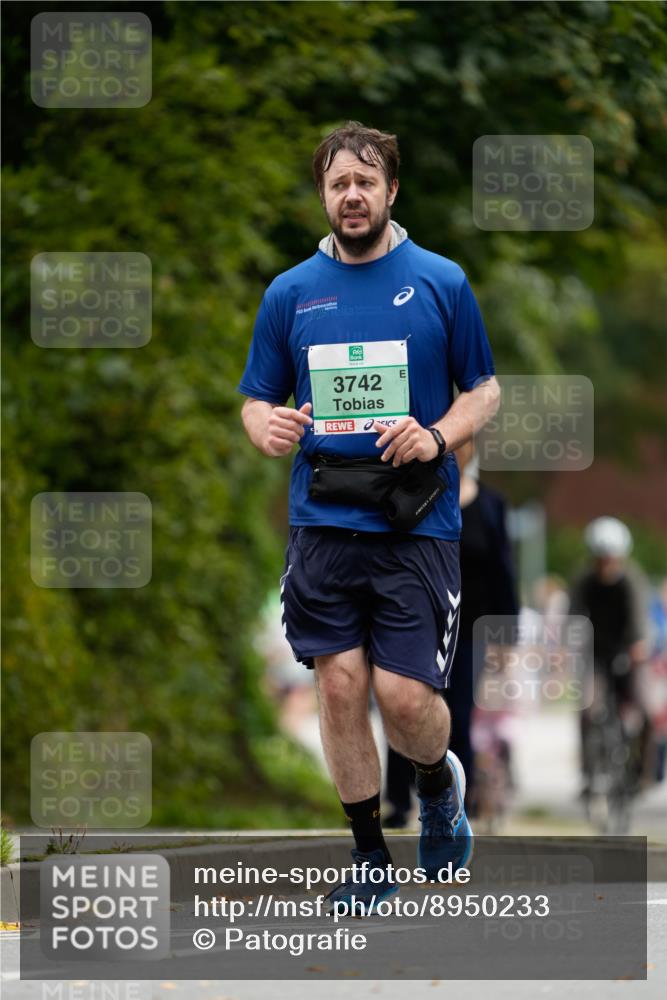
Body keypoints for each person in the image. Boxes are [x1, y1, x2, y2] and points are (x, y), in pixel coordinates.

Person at [238, 121, 500, 912]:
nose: (351, 194)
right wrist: (267, 426)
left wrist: (435, 435)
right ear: (323, 196)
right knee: (339, 686)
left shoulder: (440, 282)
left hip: (414, 525)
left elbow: (482, 389)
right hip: (321, 523)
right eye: (336, 183)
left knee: (405, 696)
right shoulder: (289, 293)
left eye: (365, 180)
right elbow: (257, 397)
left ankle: (435, 783)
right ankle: (365, 856)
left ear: (391, 191)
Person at [385, 441, 519, 827]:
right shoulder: (415, 493)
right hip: (417, 622)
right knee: (404, 707)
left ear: (473, 450)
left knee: (458, 712)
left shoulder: (491, 505)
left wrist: (505, 637)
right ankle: (398, 799)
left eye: (464, 445)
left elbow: (503, 574)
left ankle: (458, 799)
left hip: (471, 629)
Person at [569, 517, 649, 798]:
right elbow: (574, 617)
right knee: (587, 710)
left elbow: (640, 619)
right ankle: (588, 775)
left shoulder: (632, 581)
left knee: (646, 710)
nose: (606, 565)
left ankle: (641, 773)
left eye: (611, 559)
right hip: (595, 654)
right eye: (601, 559)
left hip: (629, 651)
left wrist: (639, 645)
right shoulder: (584, 581)